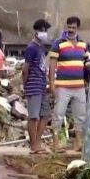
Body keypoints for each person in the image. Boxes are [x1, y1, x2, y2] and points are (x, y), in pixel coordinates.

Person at [49, 16, 88, 152]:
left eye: (73, 27)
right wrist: (52, 83)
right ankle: (55, 144)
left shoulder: (83, 43)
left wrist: (87, 81)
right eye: (69, 27)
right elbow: (52, 64)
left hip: (79, 86)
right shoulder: (58, 43)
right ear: (66, 27)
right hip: (63, 86)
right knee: (58, 114)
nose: (71, 30)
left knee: (80, 115)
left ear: (78, 28)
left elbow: (86, 63)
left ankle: (78, 142)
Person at [23, 19, 52, 154]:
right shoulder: (32, 47)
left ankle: (38, 143)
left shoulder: (41, 47)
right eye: (41, 30)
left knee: (45, 115)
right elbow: (26, 68)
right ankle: (33, 145)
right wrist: (25, 84)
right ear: (35, 31)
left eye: (45, 30)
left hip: (41, 85)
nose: (44, 33)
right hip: (33, 85)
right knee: (33, 117)